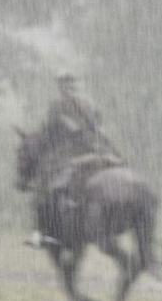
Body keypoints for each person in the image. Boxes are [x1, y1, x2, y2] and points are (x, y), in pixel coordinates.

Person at [26, 71, 122, 248]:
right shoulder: (89, 104)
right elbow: (99, 128)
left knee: (45, 189)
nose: (64, 88)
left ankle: (44, 232)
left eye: (64, 85)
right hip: (98, 151)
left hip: (75, 156)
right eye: (65, 85)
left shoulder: (57, 105)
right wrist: (112, 150)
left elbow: (50, 132)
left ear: (62, 86)